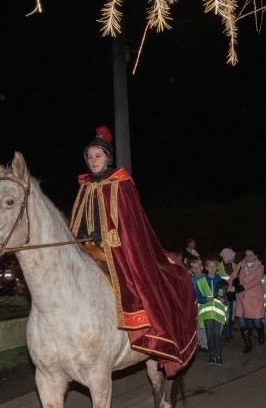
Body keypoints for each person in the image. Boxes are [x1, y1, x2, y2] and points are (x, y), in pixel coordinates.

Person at [69, 126, 197, 376]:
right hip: (86, 249)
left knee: (136, 282)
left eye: (98, 156)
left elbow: (131, 226)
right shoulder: (85, 187)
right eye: (90, 157)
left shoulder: (121, 184)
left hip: (116, 250)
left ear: (107, 158)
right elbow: (78, 224)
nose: (93, 161)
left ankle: (150, 330)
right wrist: (80, 243)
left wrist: (108, 246)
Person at [227, 248, 266, 353]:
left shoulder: (260, 266)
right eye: (246, 255)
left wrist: (244, 286)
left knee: (257, 322)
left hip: (254, 298)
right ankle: (248, 345)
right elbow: (232, 276)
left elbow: (257, 280)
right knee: (243, 322)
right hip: (242, 297)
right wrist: (228, 289)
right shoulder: (241, 264)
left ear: (255, 256)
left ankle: (261, 333)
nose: (247, 257)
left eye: (250, 255)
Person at [193, 258, 227, 364]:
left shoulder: (222, 282)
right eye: (210, 266)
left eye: (214, 266)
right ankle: (212, 355)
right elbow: (197, 297)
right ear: (206, 268)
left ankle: (218, 355)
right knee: (209, 334)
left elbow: (226, 298)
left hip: (218, 312)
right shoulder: (201, 282)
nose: (212, 268)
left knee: (217, 333)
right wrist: (205, 299)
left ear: (217, 268)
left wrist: (224, 300)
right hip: (206, 313)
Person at [189, 258, 209, 355]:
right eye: (194, 268)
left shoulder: (206, 278)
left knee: (204, 325)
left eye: (198, 267)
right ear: (192, 269)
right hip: (196, 305)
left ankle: (206, 345)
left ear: (202, 267)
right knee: (198, 325)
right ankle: (201, 344)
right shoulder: (191, 280)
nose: (197, 269)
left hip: (205, 305)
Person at [218, 247, 237, 343]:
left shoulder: (235, 265)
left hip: (233, 293)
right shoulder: (219, 267)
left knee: (232, 314)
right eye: (232, 256)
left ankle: (229, 332)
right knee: (226, 315)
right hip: (224, 294)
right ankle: (226, 334)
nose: (234, 257)